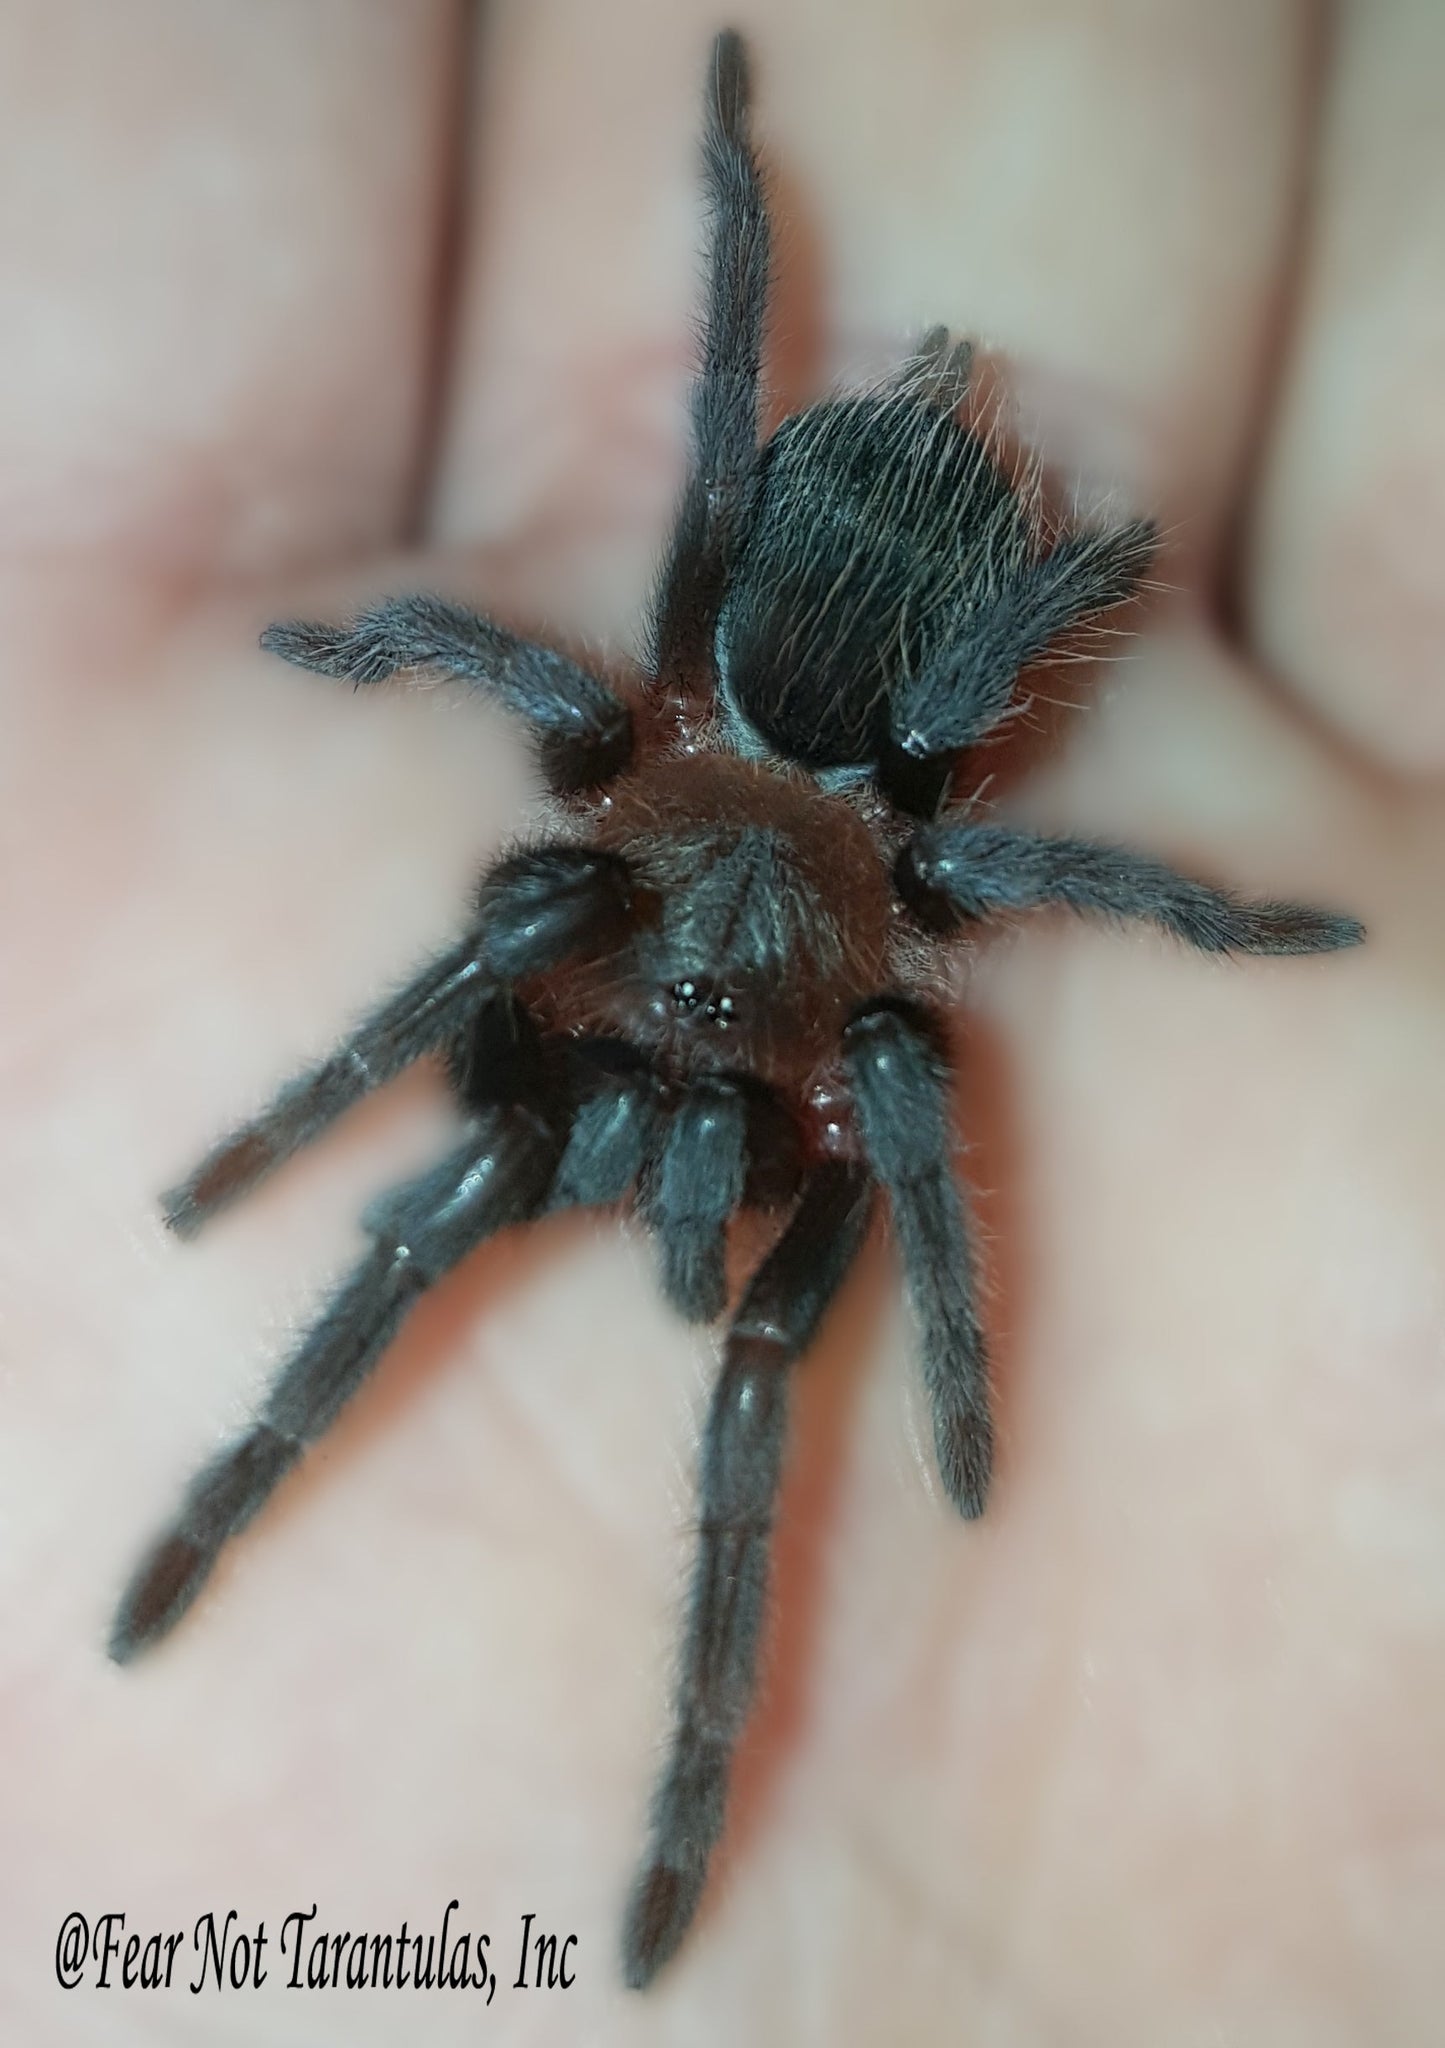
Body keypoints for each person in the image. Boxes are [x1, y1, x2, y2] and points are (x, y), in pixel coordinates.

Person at [3, 5, 1438, 2039]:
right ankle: (234, 1488)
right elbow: (484, 673)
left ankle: (699, 1786)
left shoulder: (872, 902)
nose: (676, 1115)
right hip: (824, 720)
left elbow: (1025, 916)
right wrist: (312, 1073)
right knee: (574, 995)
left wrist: (960, 1342)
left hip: (840, 732)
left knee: (758, 1304)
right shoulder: (655, 808)